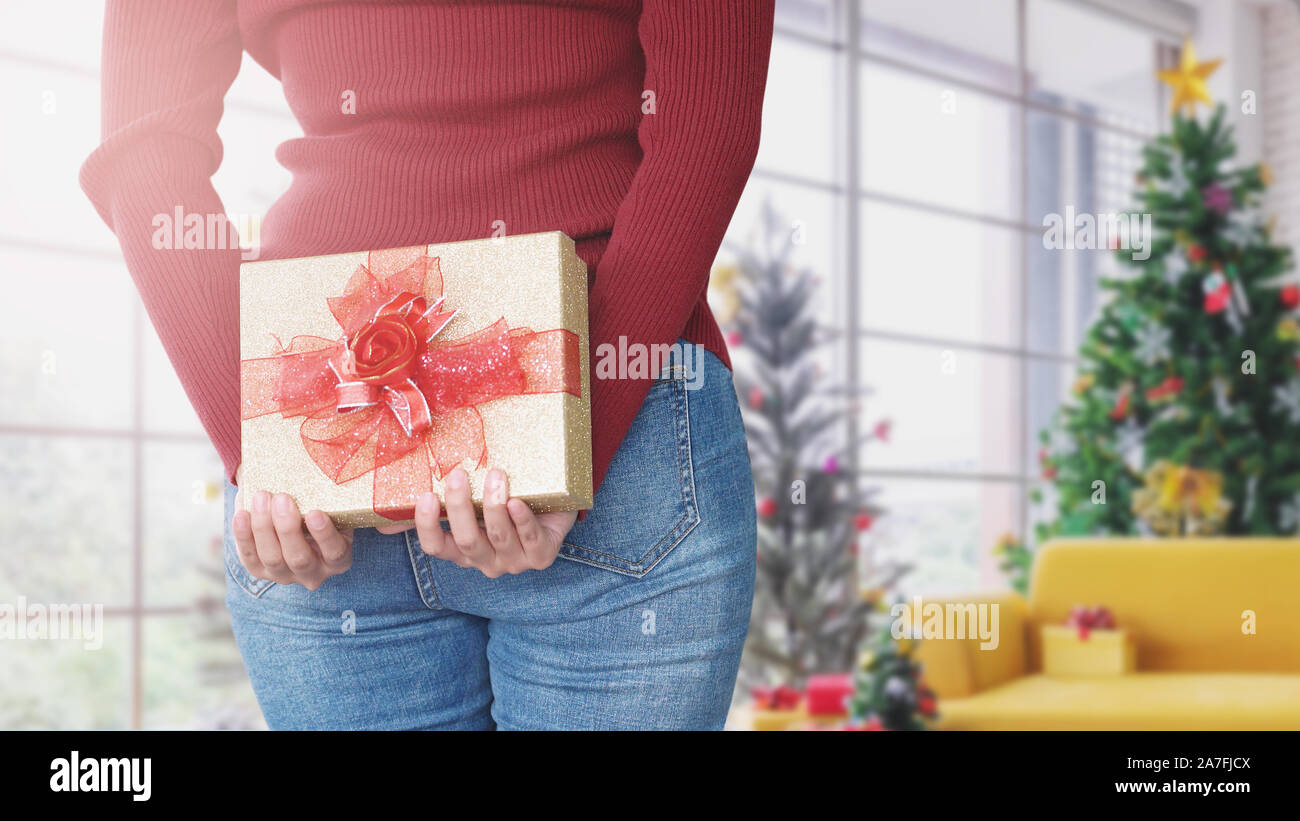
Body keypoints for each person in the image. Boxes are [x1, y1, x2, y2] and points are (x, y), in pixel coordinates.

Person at [82, 0, 773, 730]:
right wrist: (568, 444)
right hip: (614, 419)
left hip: (328, 427)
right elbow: (706, 116)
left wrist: (259, 442)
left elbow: (144, 144)